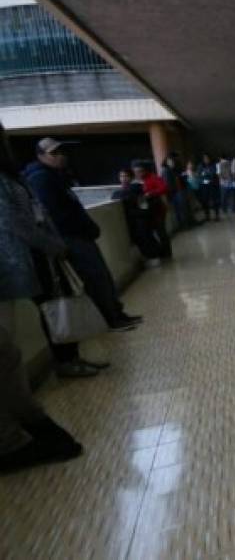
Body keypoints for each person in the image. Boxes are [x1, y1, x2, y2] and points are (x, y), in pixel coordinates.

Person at [0, 122, 83, 473]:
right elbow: (18, 224)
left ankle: (26, 426)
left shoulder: (14, 178)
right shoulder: (26, 180)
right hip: (15, 266)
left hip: (18, 269)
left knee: (8, 356)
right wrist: (54, 245)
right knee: (6, 356)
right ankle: (14, 438)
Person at [24, 137, 143, 333]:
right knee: (95, 278)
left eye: (62, 152)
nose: (61, 157)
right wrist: (82, 229)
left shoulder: (54, 175)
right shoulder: (41, 179)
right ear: (40, 156)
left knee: (101, 276)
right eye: (54, 154)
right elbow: (56, 215)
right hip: (71, 238)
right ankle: (112, 319)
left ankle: (117, 314)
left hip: (79, 236)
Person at [111, 167, 161, 264]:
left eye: (126, 176)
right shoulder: (130, 189)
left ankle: (153, 257)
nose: (123, 178)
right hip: (139, 218)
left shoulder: (135, 188)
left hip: (140, 218)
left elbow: (124, 197)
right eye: (121, 176)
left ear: (131, 177)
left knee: (145, 238)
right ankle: (154, 256)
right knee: (146, 238)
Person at [133, 161, 172, 259]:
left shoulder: (154, 178)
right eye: (136, 172)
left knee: (161, 231)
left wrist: (151, 193)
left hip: (157, 210)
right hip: (146, 211)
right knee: (149, 232)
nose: (138, 174)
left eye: (140, 171)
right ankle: (159, 251)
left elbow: (164, 188)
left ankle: (167, 253)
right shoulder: (136, 181)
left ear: (145, 170)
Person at [198, 154, 221, 221]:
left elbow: (213, 173)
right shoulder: (200, 166)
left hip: (213, 186)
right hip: (204, 187)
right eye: (205, 158)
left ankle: (217, 216)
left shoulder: (213, 165)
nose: (206, 160)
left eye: (207, 158)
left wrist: (205, 173)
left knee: (215, 201)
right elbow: (199, 175)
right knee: (205, 201)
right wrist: (206, 175)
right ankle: (207, 216)